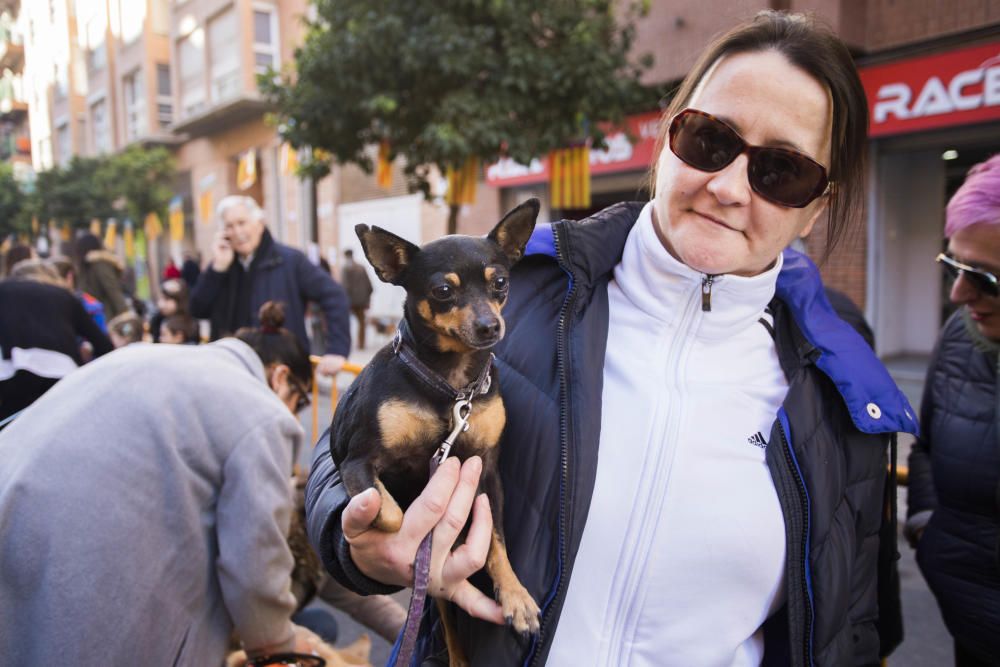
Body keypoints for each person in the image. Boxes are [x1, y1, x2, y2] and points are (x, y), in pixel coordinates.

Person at [305, 11, 919, 667]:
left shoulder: (843, 371)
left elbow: (853, 626)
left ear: (816, 207)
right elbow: (342, 446)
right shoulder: (531, 286)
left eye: (782, 171)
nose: (728, 187)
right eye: (710, 139)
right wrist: (359, 541)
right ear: (668, 135)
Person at [0, 302, 318, 665]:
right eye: (301, 400)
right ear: (280, 377)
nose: (294, 413)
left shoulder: (145, 356)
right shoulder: (261, 410)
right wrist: (277, 644)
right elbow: (256, 555)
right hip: (80, 558)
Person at [906, 154, 1000, 666]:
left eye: (986, 279)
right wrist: (925, 524)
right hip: (970, 627)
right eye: (954, 267)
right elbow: (927, 447)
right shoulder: (959, 336)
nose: (960, 295)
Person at [190, 195, 351, 376]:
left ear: (259, 224)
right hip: (232, 372)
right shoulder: (221, 266)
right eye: (229, 226)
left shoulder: (290, 260)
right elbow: (197, 309)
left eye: (242, 223)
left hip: (282, 374)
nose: (237, 231)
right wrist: (217, 270)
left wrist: (337, 349)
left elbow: (334, 295)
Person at [0, 268, 113, 421]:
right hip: (61, 371)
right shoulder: (64, 296)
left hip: (12, 369)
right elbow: (104, 345)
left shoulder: (4, 290)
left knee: (11, 428)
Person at [74, 232, 129, 319]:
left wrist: (126, 317)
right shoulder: (85, 267)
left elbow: (113, 290)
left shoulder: (100, 265)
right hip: (94, 317)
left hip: (105, 318)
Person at [340, 248, 374, 350]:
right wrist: (367, 300)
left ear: (345, 256)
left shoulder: (345, 268)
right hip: (361, 301)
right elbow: (369, 286)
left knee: (345, 322)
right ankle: (361, 344)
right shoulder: (361, 267)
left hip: (350, 301)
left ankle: (347, 344)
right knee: (362, 323)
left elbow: (345, 287)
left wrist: (344, 301)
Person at [150, 278, 190, 343]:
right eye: (160, 298)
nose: (161, 304)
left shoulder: (189, 323)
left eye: (167, 299)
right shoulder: (157, 320)